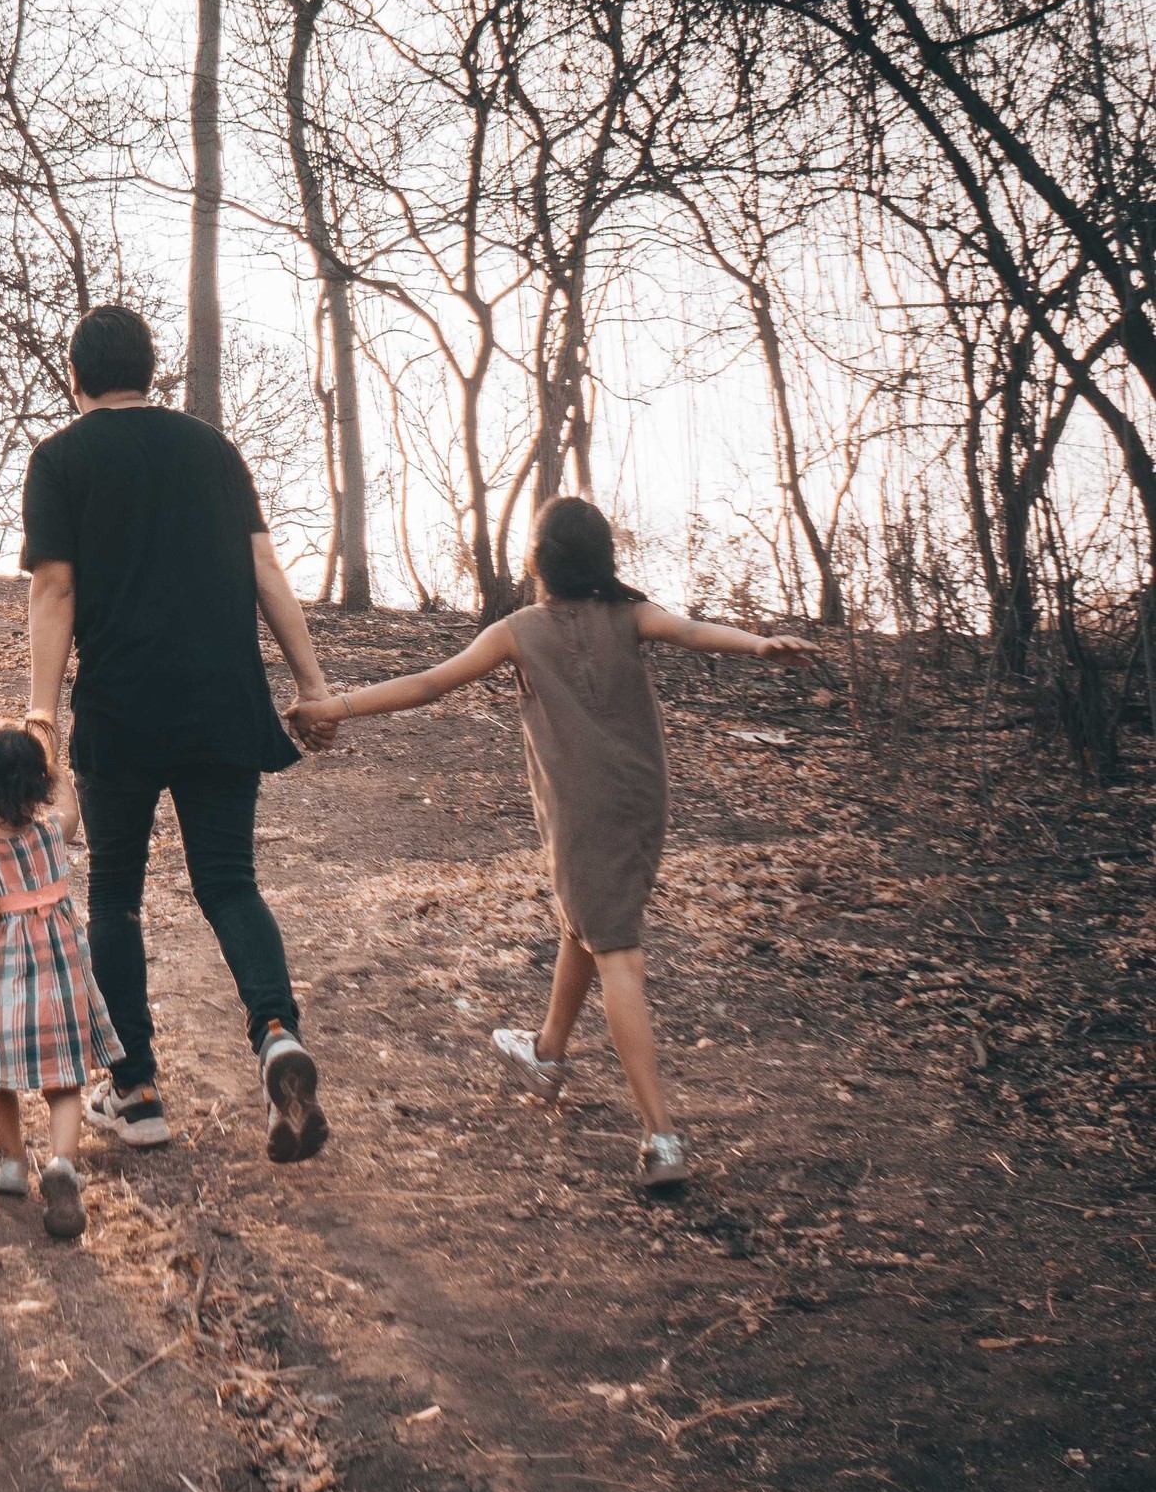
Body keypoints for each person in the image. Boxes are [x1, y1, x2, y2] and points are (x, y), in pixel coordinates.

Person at [291, 495, 812, 1194]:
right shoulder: (629, 614)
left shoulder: (518, 630)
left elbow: (430, 683)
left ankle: (661, 1136)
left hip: (584, 812)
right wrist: (757, 642)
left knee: (616, 950)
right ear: (602, 560)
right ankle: (546, 1056)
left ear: (535, 562)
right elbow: (689, 630)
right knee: (587, 923)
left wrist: (337, 705)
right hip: (641, 803)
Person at [22, 303, 335, 1166]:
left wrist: (43, 714)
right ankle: (275, 1033)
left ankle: (139, 1094)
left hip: (123, 707)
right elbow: (266, 570)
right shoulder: (214, 450)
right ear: (151, 373)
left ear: (75, 377)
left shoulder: (58, 459)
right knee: (230, 884)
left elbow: (54, 591)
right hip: (224, 701)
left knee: (115, 894)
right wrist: (310, 685)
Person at [0, 723, 122, 1241]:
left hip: (3, 978)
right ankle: (61, 1164)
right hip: (58, 972)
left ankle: (14, 1164)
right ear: (40, 785)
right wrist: (52, 760)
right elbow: (71, 806)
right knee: (64, 1080)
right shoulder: (52, 831)